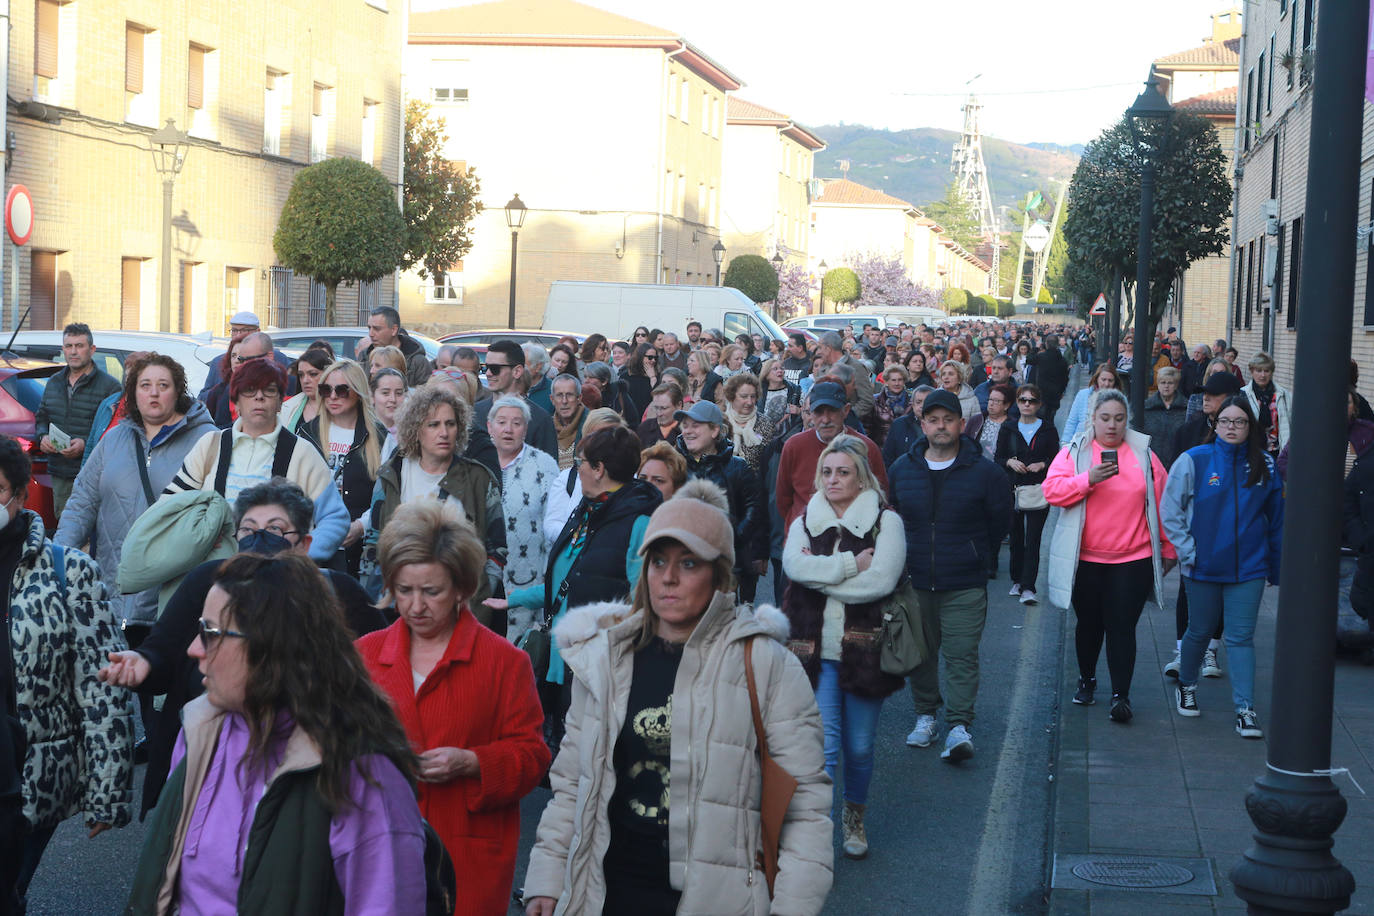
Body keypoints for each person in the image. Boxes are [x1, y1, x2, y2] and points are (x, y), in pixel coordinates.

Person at [522, 480, 832, 916]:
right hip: (608, 893)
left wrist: (793, 908)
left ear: (720, 574)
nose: (668, 578)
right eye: (658, 561)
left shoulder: (766, 665)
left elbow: (805, 805)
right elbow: (573, 785)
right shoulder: (604, 660)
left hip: (717, 897)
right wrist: (547, 881)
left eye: (688, 563)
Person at [122, 553, 426, 915]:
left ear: (274, 647)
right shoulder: (200, 729)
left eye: (210, 632)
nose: (193, 649)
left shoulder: (364, 773)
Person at [98, 478, 387, 818]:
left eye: (276, 530)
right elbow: (165, 649)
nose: (259, 540)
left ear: (304, 544)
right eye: (249, 530)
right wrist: (143, 663)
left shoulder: (338, 593)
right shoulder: (208, 581)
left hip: (306, 769)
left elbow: (377, 673)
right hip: (206, 760)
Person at [357, 501, 549, 914]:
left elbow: (533, 758)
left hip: (468, 863)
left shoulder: (504, 662)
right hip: (378, 853)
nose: (415, 606)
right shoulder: (363, 657)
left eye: (432, 591)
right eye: (403, 590)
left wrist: (473, 762)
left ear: (462, 588)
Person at [0, 435, 133, 907]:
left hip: (29, 778)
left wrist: (107, 791)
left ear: (19, 493)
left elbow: (103, 686)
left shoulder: (67, 571)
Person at [489, 426, 662, 753]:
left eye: (581, 461)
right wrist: (512, 600)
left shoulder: (637, 522)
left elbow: (643, 604)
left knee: (589, 759)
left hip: (596, 667)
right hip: (561, 658)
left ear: (599, 470)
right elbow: (570, 582)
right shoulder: (588, 510)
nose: (575, 468)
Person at [781, 435, 905, 859]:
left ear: (862, 476)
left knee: (861, 747)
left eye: (843, 472)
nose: (833, 479)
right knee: (824, 748)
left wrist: (823, 580)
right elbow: (794, 567)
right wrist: (851, 565)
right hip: (814, 652)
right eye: (827, 472)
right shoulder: (805, 520)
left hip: (864, 651)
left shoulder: (886, 522)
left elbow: (881, 582)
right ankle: (818, 831)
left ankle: (855, 814)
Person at [889, 390, 1012, 761]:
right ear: (922, 424)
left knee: (961, 656)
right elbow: (891, 521)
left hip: (964, 582)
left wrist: (978, 557)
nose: (941, 426)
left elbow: (999, 522)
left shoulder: (986, 472)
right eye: (933, 420)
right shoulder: (901, 469)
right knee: (921, 656)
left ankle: (959, 726)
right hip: (915, 581)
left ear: (961, 424)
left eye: (948, 419)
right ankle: (926, 716)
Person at [56, 354, 216, 637]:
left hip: (174, 598)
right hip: (113, 594)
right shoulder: (114, 438)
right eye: (145, 385)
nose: (153, 393)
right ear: (132, 392)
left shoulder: (208, 440)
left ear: (178, 391)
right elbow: (81, 504)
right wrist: (56, 561)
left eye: (163, 385)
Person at [1044, 389, 1175, 723]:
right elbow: (1052, 492)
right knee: (1089, 625)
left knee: (1122, 627)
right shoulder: (1076, 452)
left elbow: (1162, 504)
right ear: (1093, 420)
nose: (1112, 425)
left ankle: (1121, 696)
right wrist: (1087, 479)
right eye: (1105, 418)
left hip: (1133, 560)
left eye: (1119, 418)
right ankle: (1087, 681)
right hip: (1085, 559)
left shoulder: (1143, 454)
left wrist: (1168, 548)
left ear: (1126, 420)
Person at [1162, 397, 1283, 739]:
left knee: (1241, 638)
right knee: (1199, 632)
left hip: (1249, 568)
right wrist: (1189, 552)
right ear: (1215, 425)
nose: (1232, 427)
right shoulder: (1194, 460)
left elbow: (1277, 521)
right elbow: (1170, 510)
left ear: (1250, 427)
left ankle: (1245, 709)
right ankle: (1187, 684)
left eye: (1240, 422)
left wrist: (1275, 566)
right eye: (1225, 421)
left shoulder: (1267, 466)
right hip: (1203, 566)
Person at [161, 359, 350, 563]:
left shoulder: (302, 453)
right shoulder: (210, 445)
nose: (259, 397)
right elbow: (170, 504)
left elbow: (335, 518)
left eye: (269, 391)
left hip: (278, 580)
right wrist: (195, 535)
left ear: (280, 403)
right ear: (236, 402)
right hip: (212, 575)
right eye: (249, 391)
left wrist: (301, 557)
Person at [363, 383, 506, 610]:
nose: (444, 432)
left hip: (461, 607)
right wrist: (374, 599)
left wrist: (479, 595)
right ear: (416, 429)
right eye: (434, 424)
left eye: (450, 424)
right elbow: (373, 541)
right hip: (398, 605)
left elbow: (497, 547)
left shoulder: (478, 478)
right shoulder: (393, 474)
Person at [299, 359, 388, 576]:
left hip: (359, 548)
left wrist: (361, 526)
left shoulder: (379, 437)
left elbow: (388, 494)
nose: (332, 396)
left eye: (341, 390)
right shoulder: (307, 433)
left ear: (358, 392)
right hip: (312, 541)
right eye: (326, 389)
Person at [674, 400, 767, 603]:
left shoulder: (737, 467)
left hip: (725, 566)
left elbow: (754, 510)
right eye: (685, 425)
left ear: (715, 430)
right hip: (684, 563)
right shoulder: (675, 466)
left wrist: (732, 538)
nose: (688, 431)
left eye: (695, 425)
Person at [489, 395, 560, 641]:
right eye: (501, 422)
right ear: (490, 426)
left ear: (526, 429)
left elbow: (554, 528)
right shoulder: (476, 462)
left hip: (528, 578)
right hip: (482, 578)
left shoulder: (545, 465)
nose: (508, 429)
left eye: (517, 423)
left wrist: (547, 577)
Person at [35, 323, 122, 518]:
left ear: (92, 349)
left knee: (92, 531)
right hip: (60, 473)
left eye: (79, 345)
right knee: (65, 526)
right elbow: (41, 417)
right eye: (69, 346)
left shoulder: (110, 387)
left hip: (95, 474)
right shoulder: (54, 382)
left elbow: (116, 433)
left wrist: (85, 443)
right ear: (63, 349)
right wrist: (42, 437)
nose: (73, 351)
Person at [776, 382, 887, 527]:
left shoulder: (866, 448)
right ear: (809, 413)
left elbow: (880, 496)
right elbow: (783, 499)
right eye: (819, 412)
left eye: (832, 411)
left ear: (846, 411)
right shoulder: (794, 446)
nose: (825, 419)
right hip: (804, 540)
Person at [996, 384, 1059, 606]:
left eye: (1032, 401)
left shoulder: (1048, 429)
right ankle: (1017, 580)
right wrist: (1009, 462)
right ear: (1017, 402)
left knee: (1033, 540)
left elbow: (1057, 459)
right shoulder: (1008, 428)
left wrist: (1042, 464)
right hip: (1012, 490)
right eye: (1023, 400)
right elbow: (998, 457)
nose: (1027, 404)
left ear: (1039, 405)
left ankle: (1028, 587)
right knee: (1016, 538)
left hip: (1037, 490)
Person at [473, 340, 559, 461]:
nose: (488, 373)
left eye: (495, 368)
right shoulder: (475, 413)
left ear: (517, 371)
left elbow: (548, 472)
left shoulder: (540, 419)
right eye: (486, 367)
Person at [357, 305, 433, 387]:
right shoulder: (364, 357)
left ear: (394, 330)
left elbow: (426, 396)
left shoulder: (417, 362)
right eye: (369, 328)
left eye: (377, 329)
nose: (370, 334)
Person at [721, 372, 775, 475]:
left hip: (755, 484)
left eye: (753, 396)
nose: (749, 402)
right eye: (744, 396)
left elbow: (768, 463)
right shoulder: (721, 422)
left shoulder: (765, 423)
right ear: (732, 396)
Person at [1241, 351, 1292, 459]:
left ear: (1272, 372)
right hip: (1252, 452)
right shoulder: (1242, 394)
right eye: (1259, 371)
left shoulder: (1283, 395)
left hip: (1277, 452)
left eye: (1266, 371)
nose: (1262, 375)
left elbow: (1289, 424)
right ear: (1252, 371)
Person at [1062, 363, 1124, 442]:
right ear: (1097, 379)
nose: (1106, 384)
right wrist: (1065, 444)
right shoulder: (1083, 395)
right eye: (1103, 379)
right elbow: (1072, 422)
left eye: (1110, 380)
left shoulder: (1120, 400)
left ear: (1115, 382)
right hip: (1081, 444)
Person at [1143, 366, 1188, 469]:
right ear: (1158, 384)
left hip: (1177, 463)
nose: (1166, 386)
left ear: (1176, 385)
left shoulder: (1186, 408)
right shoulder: (1147, 407)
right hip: (1152, 463)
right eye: (1163, 383)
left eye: (1170, 383)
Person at [280, 347, 333, 434]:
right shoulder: (288, 407)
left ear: (327, 374)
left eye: (313, 374)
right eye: (301, 375)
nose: (305, 380)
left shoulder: (340, 405)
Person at [881, 385, 933, 471]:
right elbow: (887, 458)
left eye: (927, 401)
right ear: (912, 404)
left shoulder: (941, 427)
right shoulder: (899, 425)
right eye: (918, 402)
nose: (922, 406)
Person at [550, 374, 587, 470]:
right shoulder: (546, 427)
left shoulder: (591, 424)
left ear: (579, 398)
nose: (564, 401)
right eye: (559, 395)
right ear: (552, 400)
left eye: (569, 395)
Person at [371, 367, 407, 462]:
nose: (393, 399)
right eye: (385, 393)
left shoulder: (412, 433)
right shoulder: (362, 430)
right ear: (372, 397)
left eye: (399, 393)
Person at [1030, 334, 1070, 420]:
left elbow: (1029, 359)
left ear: (1046, 344)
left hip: (1042, 392)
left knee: (1041, 417)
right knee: (1050, 417)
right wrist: (1062, 391)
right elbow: (1065, 378)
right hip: (1056, 393)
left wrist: (1036, 348)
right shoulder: (1062, 360)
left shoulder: (1041, 357)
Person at [870, 366, 910, 447]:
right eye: (893, 380)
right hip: (882, 446)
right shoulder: (875, 400)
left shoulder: (912, 401)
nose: (897, 383)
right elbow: (868, 427)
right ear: (887, 382)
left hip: (905, 447)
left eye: (900, 380)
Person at [637, 381, 682, 448]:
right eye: (656, 408)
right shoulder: (644, 428)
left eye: (663, 408)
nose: (659, 413)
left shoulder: (686, 431)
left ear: (679, 405)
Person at [524, 343, 554, 414]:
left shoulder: (553, 390)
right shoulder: (511, 387)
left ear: (538, 366)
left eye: (524, 365)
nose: (518, 369)